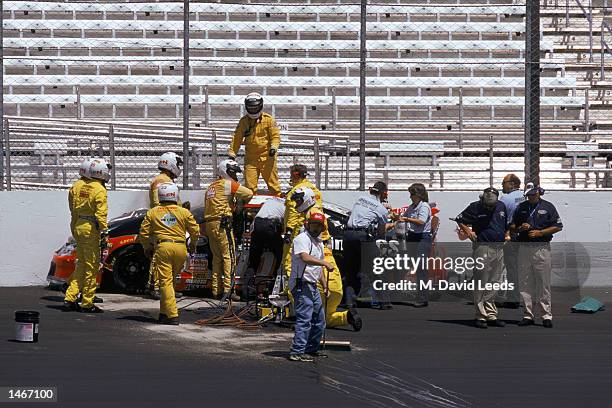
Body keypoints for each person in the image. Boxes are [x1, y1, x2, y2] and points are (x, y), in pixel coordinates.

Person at [138, 182, 199, 325]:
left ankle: (172, 315)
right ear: (175, 195)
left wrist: (147, 247)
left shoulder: (153, 212)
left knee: (165, 282)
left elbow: (143, 233)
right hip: (180, 248)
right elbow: (195, 231)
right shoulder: (184, 212)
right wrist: (193, 245)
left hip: (163, 247)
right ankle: (164, 313)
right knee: (169, 282)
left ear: (160, 196)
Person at [455, 187, 509, 329]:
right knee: (481, 281)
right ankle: (480, 315)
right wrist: (468, 231)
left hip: (499, 247)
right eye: (487, 202)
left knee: (494, 281)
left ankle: (491, 314)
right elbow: (460, 219)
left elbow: (507, 223)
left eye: (492, 203)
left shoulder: (502, 206)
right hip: (483, 247)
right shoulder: (475, 207)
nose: (489, 206)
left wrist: (507, 235)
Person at [510, 183, 563, 328]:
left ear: (538, 193)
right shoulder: (521, 207)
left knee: (543, 282)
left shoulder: (548, 206)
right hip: (524, 247)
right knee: (525, 282)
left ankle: (546, 315)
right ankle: (528, 314)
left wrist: (541, 232)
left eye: (533, 194)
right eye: (528, 195)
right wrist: (521, 228)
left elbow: (558, 226)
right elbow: (512, 226)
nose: (530, 197)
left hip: (541, 247)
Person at [63, 158, 111, 314]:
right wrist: (105, 232)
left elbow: (72, 208)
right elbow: (101, 213)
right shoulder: (99, 189)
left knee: (82, 264)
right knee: (91, 266)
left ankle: (70, 297)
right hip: (91, 229)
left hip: (78, 225)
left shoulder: (79, 186)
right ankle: (87, 302)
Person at [204, 159, 253, 301]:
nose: (235, 176)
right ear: (226, 171)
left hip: (210, 224)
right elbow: (248, 193)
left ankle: (216, 291)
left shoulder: (211, 187)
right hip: (223, 224)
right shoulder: (227, 184)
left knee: (217, 259)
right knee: (229, 257)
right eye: (233, 172)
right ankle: (228, 290)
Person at [343, 181, 396, 309]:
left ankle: (350, 301)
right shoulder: (382, 209)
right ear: (384, 193)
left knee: (351, 270)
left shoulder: (360, 199)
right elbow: (381, 231)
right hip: (363, 236)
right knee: (377, 268)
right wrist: (392, 223)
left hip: (348, 235)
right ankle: (385, 301)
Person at [288, 211, 332, 362]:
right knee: (305, 319)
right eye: (313, 224)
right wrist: (325, 263)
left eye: (319, 225)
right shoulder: (301, 239)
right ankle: (297, 351)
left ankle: (311, 348)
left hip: (312, 285)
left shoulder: (318, 243)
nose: (316, 228)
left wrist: (325, 286)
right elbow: (305, 257)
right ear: (308, 224)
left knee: (319, 319)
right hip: (301, 284)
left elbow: (318, 271)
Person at [146, 152, 184, 300]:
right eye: (178, 164)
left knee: (164, 258)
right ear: (171, 164)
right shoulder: (162, 181)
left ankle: (167, 288)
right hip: (164, 223)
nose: (179, 167)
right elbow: (159, 203)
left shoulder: (164, 179)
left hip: (167, 221)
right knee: (158, 257)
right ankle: (154, 287)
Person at [228, 92, 281, 195]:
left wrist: (273, 148)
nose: (253, 110)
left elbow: (275, 136)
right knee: (250, 188)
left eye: (255, 108)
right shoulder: (244, 121)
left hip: (268, 158)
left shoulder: (269, 120)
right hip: (251, 160)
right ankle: (249, 209)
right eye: (250, 108)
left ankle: (278, 204)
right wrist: (232, 153)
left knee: (274, 186)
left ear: (260, 106)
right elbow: (237, 138)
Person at [281, 165, 322, 278]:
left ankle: (290, 291)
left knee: (290, 261)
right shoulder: (315, 190)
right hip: (314, 231)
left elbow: (293, 213)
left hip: (297, 231)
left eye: (291, 175)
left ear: (295, 175)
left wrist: (288, 231)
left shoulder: (297, 191)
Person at [398, 183, 433, 308]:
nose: (411, 197)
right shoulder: (412, 206)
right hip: (413, 237)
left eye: (412, 194)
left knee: (421, 268)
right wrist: (398, 217)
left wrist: (406, 220)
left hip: (422, 237)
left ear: (419, 195)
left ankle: (422, 297)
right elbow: (404, 216)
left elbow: (421, 221)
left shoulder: (424, 207)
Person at [318, 244, 363, 331]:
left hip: (323, 287)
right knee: (327, 317)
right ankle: (347, 316)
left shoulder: (308, 250)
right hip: (337, 289)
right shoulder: (329, 253)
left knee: (316, 319)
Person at [497, 173, 524, 309]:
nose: (502, 185)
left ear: (512, 184)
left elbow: (499, 217)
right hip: (528, 236)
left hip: (512, 235)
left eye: (504, 183)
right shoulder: (526, 195)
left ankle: (513, 298)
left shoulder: (505, 198)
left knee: (512, 268)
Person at [247, 196, 285, 275]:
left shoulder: (270, 200)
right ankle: (276, 273)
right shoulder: (287, 205)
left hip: (256, 224)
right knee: (280, 250)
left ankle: (250, 274)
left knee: (255, 252)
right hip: (270, 225)